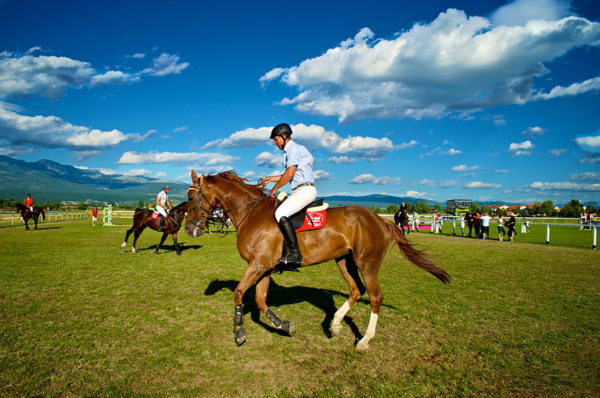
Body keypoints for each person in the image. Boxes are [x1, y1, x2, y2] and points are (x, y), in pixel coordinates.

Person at [261, 123, 316, 265]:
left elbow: (289, 173)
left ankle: (295, 253)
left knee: (280, 213)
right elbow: (288, 174)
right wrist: (271, 178)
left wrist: (274, 189)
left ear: (284, 136)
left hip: (304, 190)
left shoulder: (293, 149)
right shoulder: (291, 151)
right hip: (299, 190)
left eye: (275, 139)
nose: (274, 143)